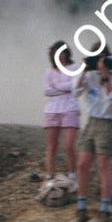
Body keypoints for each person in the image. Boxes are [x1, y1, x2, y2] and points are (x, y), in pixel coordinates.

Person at [74, 44, 112, 222]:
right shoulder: (89, 73)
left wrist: (105, 75)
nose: (100, 62)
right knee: (82, 164)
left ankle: (105, 210)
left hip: (108, 121)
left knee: (103, 164)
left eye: (102, 58)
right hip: (92, 120)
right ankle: (81, 207)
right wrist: (84, 70)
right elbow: (75, 91)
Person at [42, 41, 80, 186]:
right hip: (52, 110)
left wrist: (57, 86)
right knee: (52, 146)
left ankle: (72, 175)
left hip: (70, 108)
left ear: (66, 53)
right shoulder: (49, 71)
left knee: (69, 145)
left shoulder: (74, 68)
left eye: (61, 53)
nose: (59, 57)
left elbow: (74, 86)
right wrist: (64, 88)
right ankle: (50, 175)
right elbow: (47, 91)